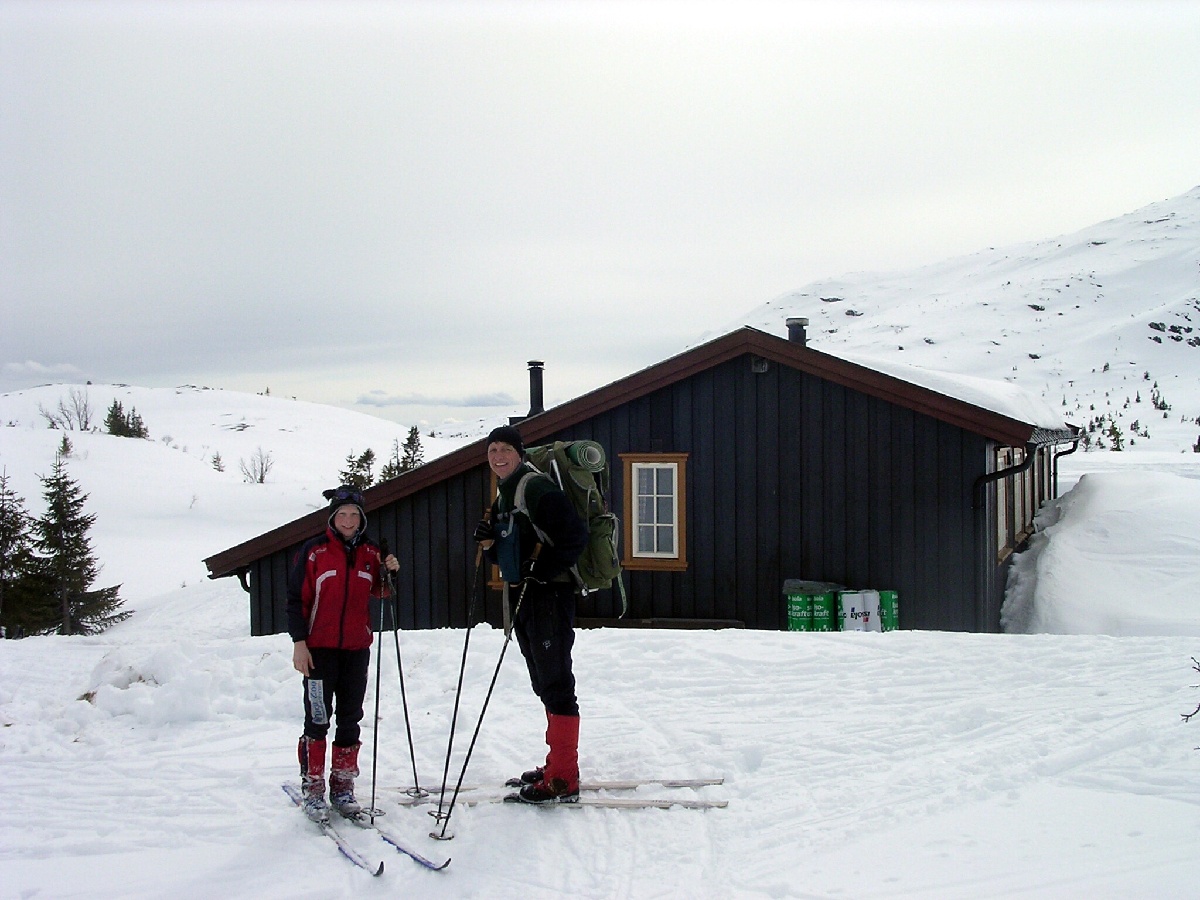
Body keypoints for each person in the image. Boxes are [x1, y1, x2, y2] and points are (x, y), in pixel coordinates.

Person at [474, 425, 588, 803]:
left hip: (548, 596)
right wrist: (489, 545)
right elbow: (512, 550)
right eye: (492, 450)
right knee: (544, 680)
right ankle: (558, 763)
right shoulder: (506, 492)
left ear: (520, 453)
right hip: (527, 595)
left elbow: (574, 536)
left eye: (505, 449)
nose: (498, 456)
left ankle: (562, 779)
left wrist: (543, 569)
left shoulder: (535, 487)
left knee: (556, 682)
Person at [287, 485, 399, 823]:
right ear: (332, 518)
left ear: (361, 519)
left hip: (355, 650)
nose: (348, 521)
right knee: (318, 718)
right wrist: (299, 642)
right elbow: (296, 599)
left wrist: (390, 571)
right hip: (318, 651)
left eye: (354, 515)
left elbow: (382, 592)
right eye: (343, 515)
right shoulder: (313, 551)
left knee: (350, 718)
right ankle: (313, 788)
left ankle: (343, 787)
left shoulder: (371, 552)